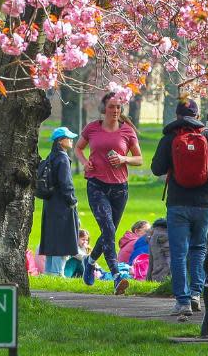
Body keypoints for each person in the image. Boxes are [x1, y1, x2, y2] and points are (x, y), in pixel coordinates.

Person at [151, 97, 208, 320]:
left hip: (178, 202)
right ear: (198, 115)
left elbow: (156, 168)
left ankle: (182, 301)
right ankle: (197, 294)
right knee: (198, 248)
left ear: (177, 116)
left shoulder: (170, 138)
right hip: (204, 202)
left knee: (179, 252)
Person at [75, 90, 142, 294]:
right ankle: (116, 276)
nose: (114, 110)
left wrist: (123, 159)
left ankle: (90, 261)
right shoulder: (92, 128)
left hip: (120, 188)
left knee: (107, 232)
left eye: (118, 107)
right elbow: (78, 148)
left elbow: (139, 159)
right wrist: (86, 163)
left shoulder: (127, 131)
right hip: (96, 185)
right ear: (104, 108)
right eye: (111, 107)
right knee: (109, 231)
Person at [38, 127, 80, 277]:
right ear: (60, 141)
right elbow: (66, 183)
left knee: (52, 237)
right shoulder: (62, 158)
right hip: (62, 205)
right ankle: (57, 272)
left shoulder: (51, 156)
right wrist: (72, 201)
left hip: (50, 204)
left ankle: (49, 272)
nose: (71, 140)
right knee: (62, 238)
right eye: (68, 138)